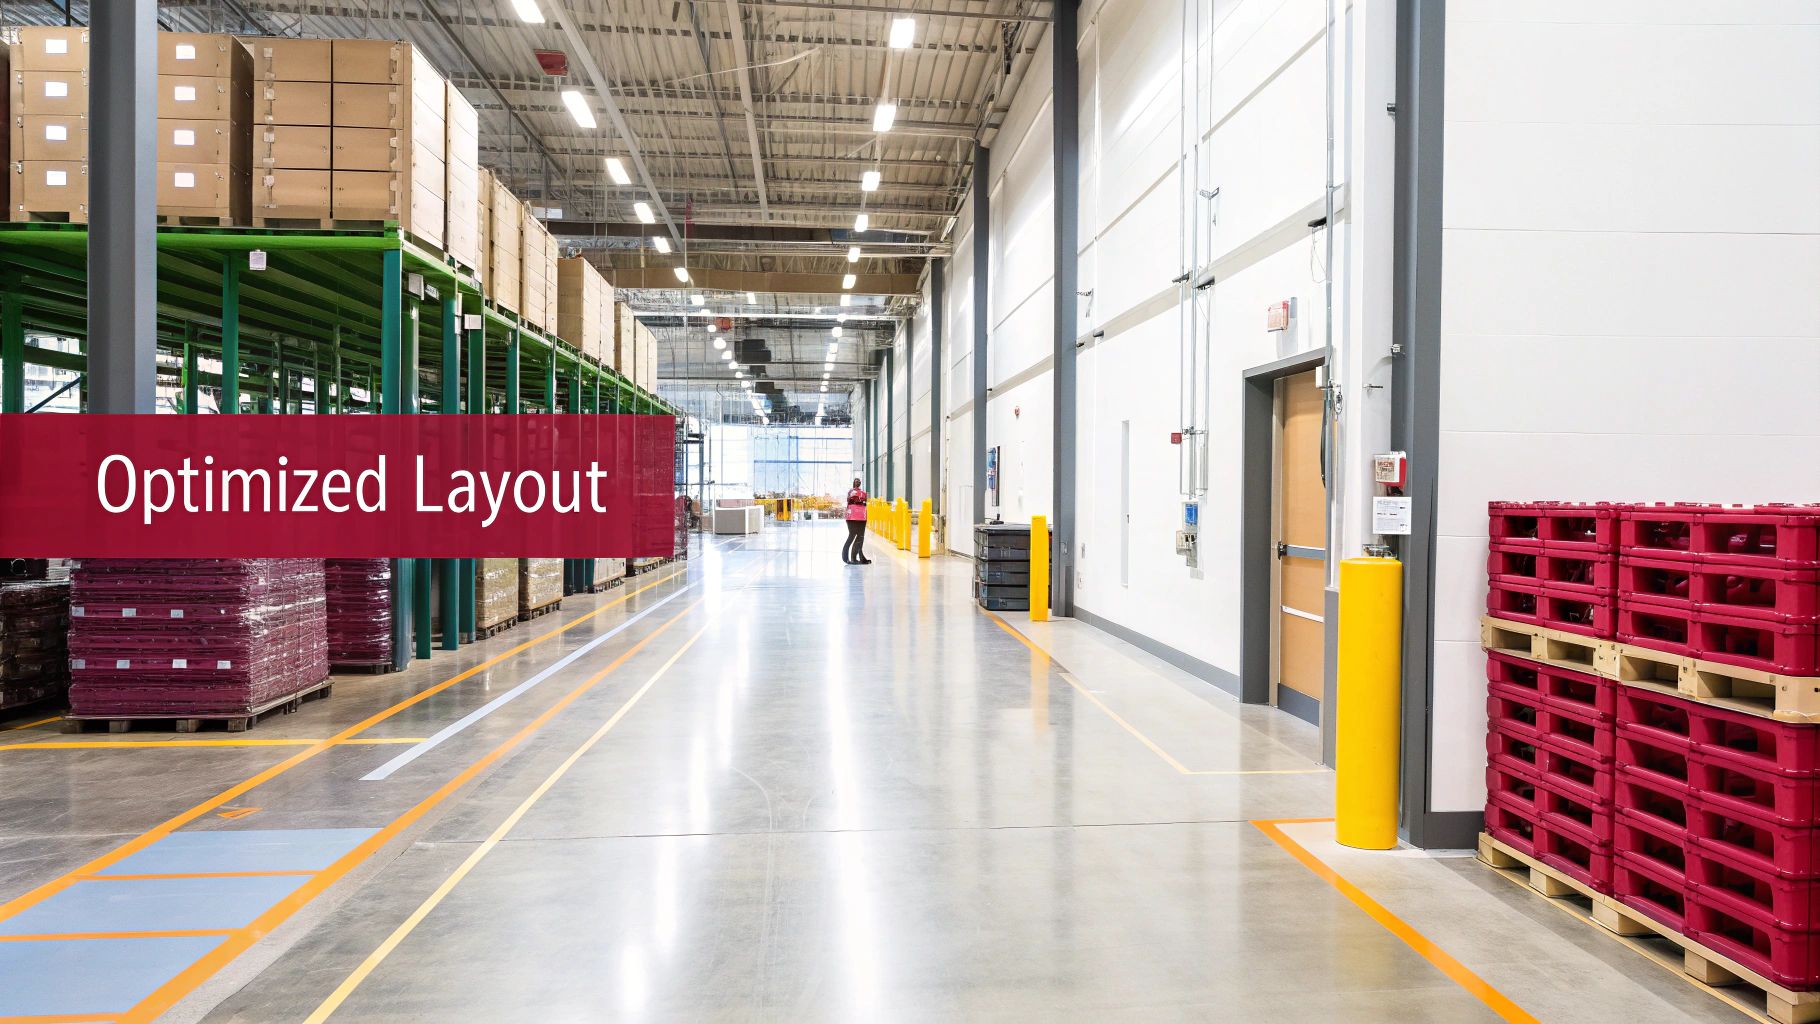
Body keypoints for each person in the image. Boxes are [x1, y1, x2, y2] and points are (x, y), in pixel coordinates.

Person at [843, 477, 871, 565]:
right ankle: (852, 558)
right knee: (859, 537)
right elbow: (865, 502)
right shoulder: (863, 493)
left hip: (852, 516)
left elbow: (849, 501)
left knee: (854, 536)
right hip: (861, 516)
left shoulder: (851, 492)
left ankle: (853, 558)